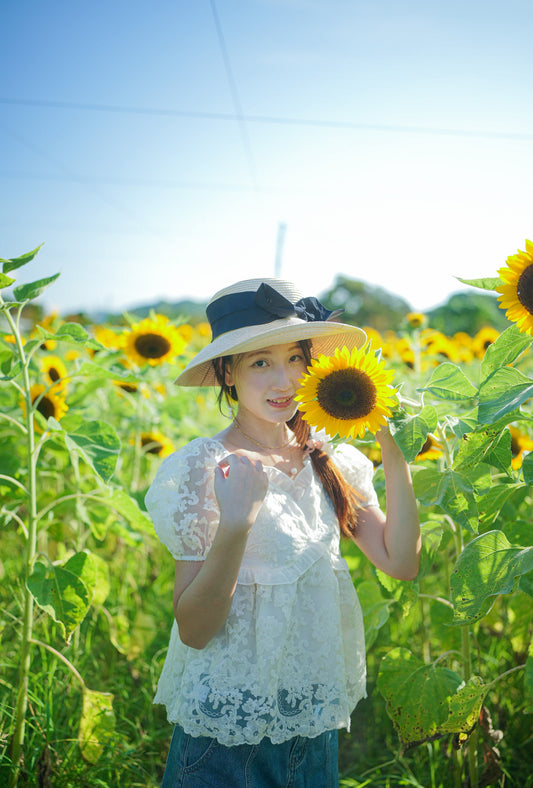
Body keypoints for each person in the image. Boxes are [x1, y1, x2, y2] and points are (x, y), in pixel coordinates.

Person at [145, 278, 420, 787]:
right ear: (227, 371)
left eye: (296, 358)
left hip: (312, 724)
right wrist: (235, 523)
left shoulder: (329, 461)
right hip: (226, 732)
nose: (286, 381)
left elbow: (401, 561)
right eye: (260, 362)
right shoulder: (202, 469)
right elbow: (195, 629)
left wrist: (391, 441)